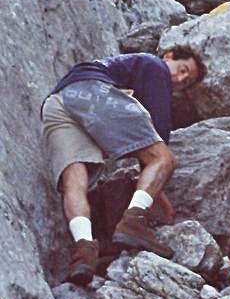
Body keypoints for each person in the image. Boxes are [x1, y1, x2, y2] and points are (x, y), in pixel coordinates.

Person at [40, 46, 206, 284]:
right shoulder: (154, 65)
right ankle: (133, 221)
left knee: (75, 183)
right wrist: (157, 193)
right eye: (182, 70)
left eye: (185, 81)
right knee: (164, 158)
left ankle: (84, 251)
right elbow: (158, 133)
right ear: (168, 56)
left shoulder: (122, 66)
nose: (178, 79)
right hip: (92, 91)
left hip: (57, 102)